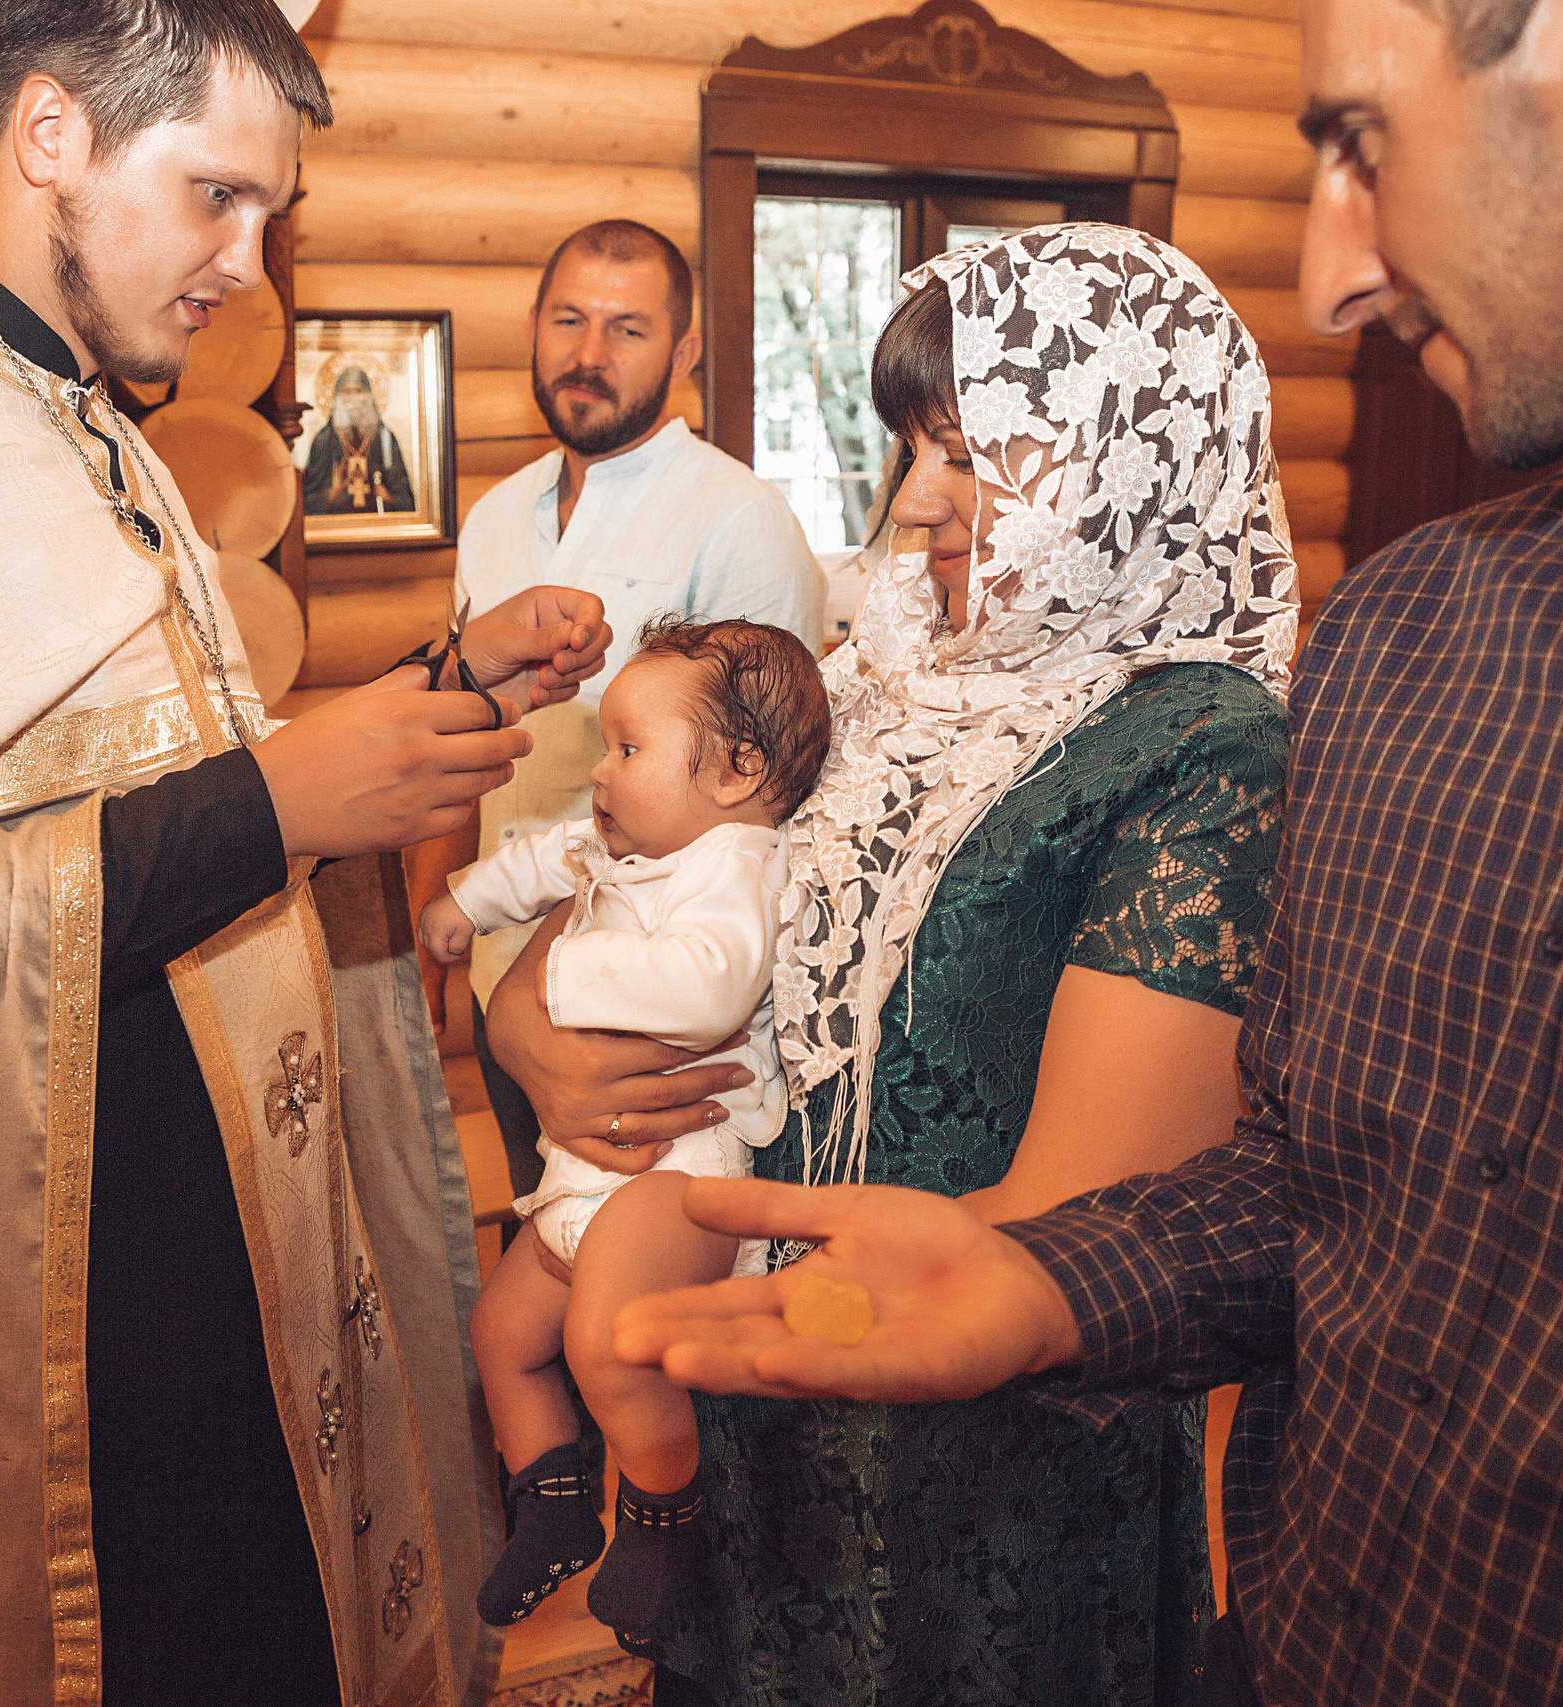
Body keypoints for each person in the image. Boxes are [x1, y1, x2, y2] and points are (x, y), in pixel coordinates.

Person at [617, 0, 1563, 1695]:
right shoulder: (1417, 639)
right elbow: (1331, 1192)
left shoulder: (1207, 738)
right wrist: (1046, 1286)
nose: (1335, 278)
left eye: (1360, 145)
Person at [0, 4, 614, 1703]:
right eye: (218, 196)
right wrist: (280, 808)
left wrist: (437, 690)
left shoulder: (77, 409)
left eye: (268, 213)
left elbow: (147, 775)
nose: (247, 261)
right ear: (56, 135)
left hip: (214, 1229)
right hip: (50, 1310)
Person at [496, 225, 1298, 1706]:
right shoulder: (876, 664)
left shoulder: (1197, 745)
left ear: (1129, 458)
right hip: (758, 1365)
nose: (918, 498)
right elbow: (653, 863)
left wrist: (792, 1300)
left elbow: (1088, 1219)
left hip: (982, 1428)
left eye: (972, 451)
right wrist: (526, 1026)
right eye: (912, 447)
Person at [417, 617, 829, 1639]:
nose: (600, 772)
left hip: (675, 1177)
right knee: (501, 1335)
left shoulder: (734, 862)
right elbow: (542, 860)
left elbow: (709, 988)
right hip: (581, 1175)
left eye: (628, 749)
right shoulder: (629, 839)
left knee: (608, 1342)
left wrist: (552, 975)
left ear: (734, 772)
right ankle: (552, 1504)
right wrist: (462, 908)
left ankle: (662, 1518)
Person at [427, 218, 826, 1197]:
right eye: (568, 319)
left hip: (660, 1016)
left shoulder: (741, 522)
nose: (588, 355)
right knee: (534, 1235)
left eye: (628, 329)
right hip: (494, 961)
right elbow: (457, 737)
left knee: (620, 1296)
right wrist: (440, 945)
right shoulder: (492, 516)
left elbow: (776, 800)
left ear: (685, 350)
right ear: (532, 325)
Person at [301, 358, 416, 514]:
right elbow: (306, 503)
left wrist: (388, 496)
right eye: (346, 392)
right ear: (337, 398)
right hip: (334, 526)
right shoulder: (324, 439)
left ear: (369, 395)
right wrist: (331, 492)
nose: (353, 399)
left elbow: (405, 499)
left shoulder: (384, 437)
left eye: (359, 391)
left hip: (379, 526)